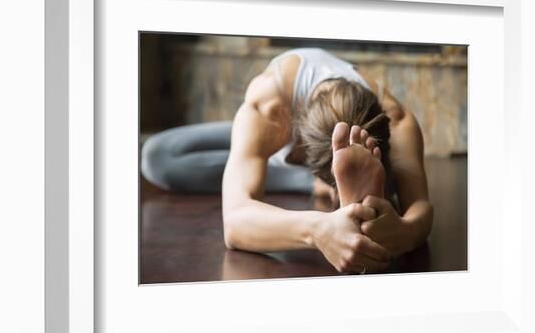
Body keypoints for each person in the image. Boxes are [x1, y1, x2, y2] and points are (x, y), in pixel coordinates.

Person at [141, 48, 434, 274]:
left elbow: (421, 207)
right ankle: (322, 187)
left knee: (396, 176)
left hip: (353, 150)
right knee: (157, 156)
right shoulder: (271, 105)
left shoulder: (396, 119)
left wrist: (405, 232)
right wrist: (317, 230)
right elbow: (235, 223)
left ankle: (358, 195)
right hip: (277, 143)